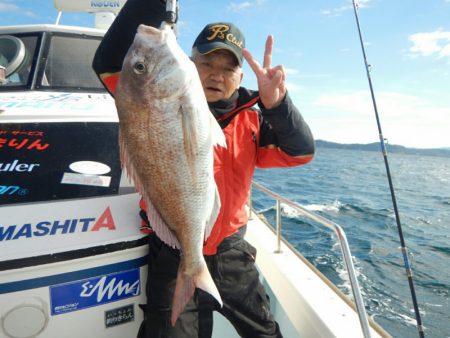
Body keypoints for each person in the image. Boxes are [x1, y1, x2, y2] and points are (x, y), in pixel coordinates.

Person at [92, 0, 315, 337]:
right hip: (172, 249)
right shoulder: (143, 95)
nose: (216, 74)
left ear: (241, 76)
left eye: (228, 68)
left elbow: (301, 153)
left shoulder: (253, 117)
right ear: (190, 62)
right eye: (207, 62)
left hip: (231, 252)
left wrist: (278, 106)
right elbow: (108, 61)